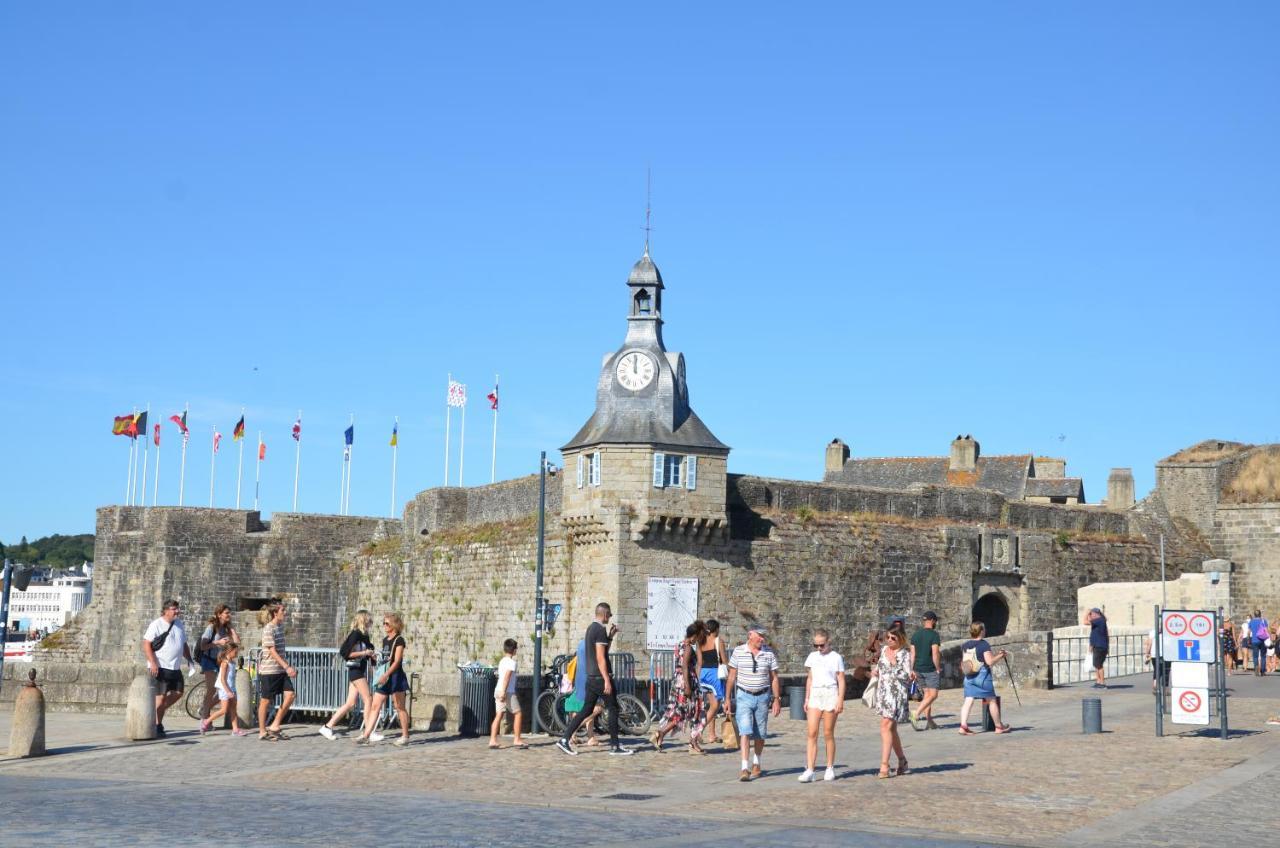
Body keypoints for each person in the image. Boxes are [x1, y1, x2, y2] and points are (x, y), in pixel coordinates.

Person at [556, 602, 634, 757]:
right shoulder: (599, 630)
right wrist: (606, 679)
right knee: (613, 708)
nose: (609, 618)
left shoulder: (591, 629)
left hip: (591, 677)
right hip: (599, 677)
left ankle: (564, 739)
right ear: (604, 614)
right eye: (609, 615)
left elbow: (603, 651)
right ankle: (614, 746)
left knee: (586, 709)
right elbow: (600, 657)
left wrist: (610, 637)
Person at [725, 624, 781, 782]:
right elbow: (731, 677)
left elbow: (774, 678)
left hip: (763, 696)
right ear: (750, 635)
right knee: (745, 731)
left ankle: (757, 762)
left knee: (760, 732)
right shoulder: (739, 651)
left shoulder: (768, 653)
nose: (762, 639)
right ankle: (744, 767)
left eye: (764, 636)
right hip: (744, 696)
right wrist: (727, 699)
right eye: (760, 636)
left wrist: (776, 699)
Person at [650, 621, 708, 754]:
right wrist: (688, 686)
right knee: (697, 713)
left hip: (679, 682)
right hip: (687, 683)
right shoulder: (688, 647)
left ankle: (660, 734)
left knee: (680, 713)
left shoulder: (680, 645)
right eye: (699, 636)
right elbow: (688, 666)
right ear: (694, 635)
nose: (700, 639)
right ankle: (692, 743)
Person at [141, 599, 195, 738]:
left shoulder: (179, 624)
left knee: (178, 692)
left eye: (177, 609)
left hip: (175, 667)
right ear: (165, 610)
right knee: (161, 697)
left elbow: (183, 644)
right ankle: (158, 724)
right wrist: (153, 662)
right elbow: (147, 644)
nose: (177, 611)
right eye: (173, 609)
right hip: (161, 666)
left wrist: (189, 659)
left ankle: (155, 712)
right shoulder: (156, 624)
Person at [319, 610, 377, 740]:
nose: (371, 623)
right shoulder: (355, 634)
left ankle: (327, 727)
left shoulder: (364, 636)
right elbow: (345, 653)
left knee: (350, 703)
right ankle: (369, 732)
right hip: (355, 670)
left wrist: (371, 656)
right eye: (369, 620)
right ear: (363, 620)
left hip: (358, 670)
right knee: (368, 699)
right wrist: (364, 653)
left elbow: (368, 651)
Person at [357, 612, 411, 745]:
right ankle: (366, 735)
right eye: (384, 623)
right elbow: (386, 659)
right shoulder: (385, 640)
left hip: (395, 676)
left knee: (399, 706)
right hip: (384, 676)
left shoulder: (399, 640)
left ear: (394, 625)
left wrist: (386, 675)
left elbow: (397, 661)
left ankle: (405, 736)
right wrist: (376, 659)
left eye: (387, 623)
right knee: (375, 705)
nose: (384, 626)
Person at [799, 628, 844, 783]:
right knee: (811, 732)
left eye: (822, 645)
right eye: (816, 645)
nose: (819, 648)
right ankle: (810, 769)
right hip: (815, 694)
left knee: (828, 733)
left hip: (830, 692)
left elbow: (841, 679)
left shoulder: (836, 657)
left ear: (828, 642)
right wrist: (806, 698)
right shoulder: (812, 657)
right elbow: (810, 678)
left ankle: (829, 767)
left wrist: (840, 700)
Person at [869, 628, 915, 778]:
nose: (889, 640)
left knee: (885, 726)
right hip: (884, 692)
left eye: (893, 638)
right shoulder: (884, 651)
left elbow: (906, 676)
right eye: (887, 637)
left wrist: (894, 663)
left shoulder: (904, 654)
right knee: (891, 729)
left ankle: (884, 765)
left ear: (900, 639)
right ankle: (902, 761)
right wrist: (876, 671)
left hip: (896, 695)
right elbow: (881, 667)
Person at [958, 621, 1009, 736]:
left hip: (969, 675)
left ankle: (963, 726)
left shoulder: (965, 645)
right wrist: (1001, 655)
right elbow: (989, 662)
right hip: (982, 676)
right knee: (991, 700)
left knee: (968, 700)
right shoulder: (984, 645)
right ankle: (998, 726)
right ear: (981, 631)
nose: (985, 631)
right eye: (984, 629)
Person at [256, 600, 297, 741]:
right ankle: (262, 731)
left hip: (280, 671)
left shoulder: (279, 627)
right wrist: (287, 666)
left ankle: (275, 725)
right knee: (265, 701)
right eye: (282, 611)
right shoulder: (269, 628)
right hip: (269, 671)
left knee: (290, 695)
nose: (284, 613)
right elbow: (272, 651)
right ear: (275, 613)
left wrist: (286, 667)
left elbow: (280, 651)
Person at [197, 604, 239, 725]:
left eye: (229, 613)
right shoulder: (211, 627)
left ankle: (204, 709)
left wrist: (232, 629)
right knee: (211, 689)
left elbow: (236, 643)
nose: (229, 615)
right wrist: (218, 642)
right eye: (227, 613)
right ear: (219, 614)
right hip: (208, 660)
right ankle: (205, 717)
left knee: (221, 689)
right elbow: (203, 645)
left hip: (220, 661)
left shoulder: (226, 629)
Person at [490, 638, 527, 749]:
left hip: (498, 689)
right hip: (507, 692)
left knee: (499, 715)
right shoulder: (512, 663)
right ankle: (517, 739)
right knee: (518, 713)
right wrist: (504, 692)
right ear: (514, 650)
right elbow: (507, 677)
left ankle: (492, 740)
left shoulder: (502, 661)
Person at [908, 611, 942, 731]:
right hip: (929, 669)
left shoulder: (915, 635)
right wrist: (937, 667)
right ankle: (916, 714)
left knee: (927, 695)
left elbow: (912, 654)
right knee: (933, 695)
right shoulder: (934, 635)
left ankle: (930, 722)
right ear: (933, 621)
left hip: (918, 669)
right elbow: (935, 653)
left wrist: (911, 669)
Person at [204, 641, 246, 736]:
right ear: (229, 651)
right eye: (235, 652)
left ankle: (235, 730)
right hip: (224, 688)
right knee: (224, 710)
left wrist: (232, 690)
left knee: (233, 709)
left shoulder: (232, 662)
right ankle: (206, 721)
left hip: (231, 688)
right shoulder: (225, 663)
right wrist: (228, 691)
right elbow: (223, 679)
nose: (236, 654)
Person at [696, 619, 728, 743]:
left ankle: (711, 735)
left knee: (711, 705)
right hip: (715, 674)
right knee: (715, 706)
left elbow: (699, 662)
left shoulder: (700, 642)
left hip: (703, 674)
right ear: (716, 629)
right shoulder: (718, 641)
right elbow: (724, 660)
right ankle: (698, 730)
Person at [1084, 608, 1109, 689]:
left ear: (1095, 614)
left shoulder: (1099, 620)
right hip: (1097, 645)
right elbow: (1095, 634)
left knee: (1099, 665)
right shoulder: (1099, 621)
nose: (1091, 616)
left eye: (1092, 614)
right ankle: (1098, 681)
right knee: (1096, 664)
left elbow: (1085, 622)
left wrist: (1087, 613)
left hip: (1100, 646)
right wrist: (1091, 646)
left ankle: (1102, 683)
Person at [1248, 610, 1270, 676]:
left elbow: (1249, 632)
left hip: (1254, 641)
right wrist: (1270, 638)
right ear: (1260, 614)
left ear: (1254, 615)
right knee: (1263, 656)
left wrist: (1249, 639)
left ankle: (1256, 669)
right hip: (1263, 640)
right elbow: (1266, 630)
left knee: (1255, 656)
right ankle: (1263, 671)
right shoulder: (1263, 621)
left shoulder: (1251, 621)